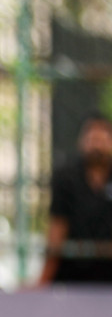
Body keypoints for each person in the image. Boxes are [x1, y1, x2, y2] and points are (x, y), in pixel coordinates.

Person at [37, 115, 112, 285]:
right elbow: (57, 227)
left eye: (102, 139)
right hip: (72, 276)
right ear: (82, 142)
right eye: (92, 139)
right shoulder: (66, 179)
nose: (97, 146)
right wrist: (44, 280)